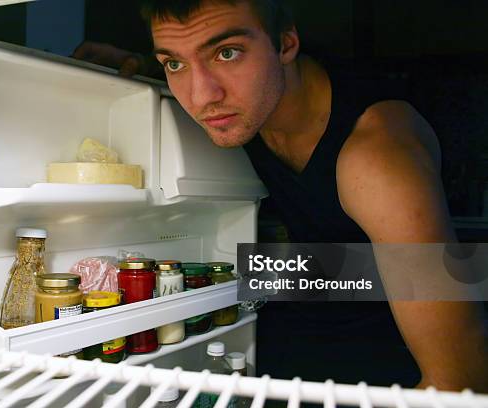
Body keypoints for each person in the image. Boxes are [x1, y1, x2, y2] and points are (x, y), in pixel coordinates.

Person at [75, 0, 488, 391]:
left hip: (387, 366)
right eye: (175, 63)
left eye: (227, 53)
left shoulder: (377, 159)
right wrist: (143, 66)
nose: (201, 97)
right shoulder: (246, 101)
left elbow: (459, 382)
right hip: (294, 330)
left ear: (286, 44)